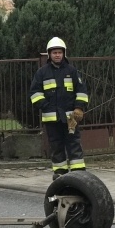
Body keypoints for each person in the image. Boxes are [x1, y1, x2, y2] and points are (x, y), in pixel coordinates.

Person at [29, 37, 89, 179]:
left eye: (60, 52)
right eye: (54, 52)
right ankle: (60, 174)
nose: (57, 55)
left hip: (70, 118)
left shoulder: (72, 71)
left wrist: (79, 108)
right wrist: (45, 106)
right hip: (51, 119)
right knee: (56, 146)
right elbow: (34, 93)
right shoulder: (42, 73)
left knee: (74, 144)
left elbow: (81, 91)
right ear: (49, 54)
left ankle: (78, 174)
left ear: (64, 53)